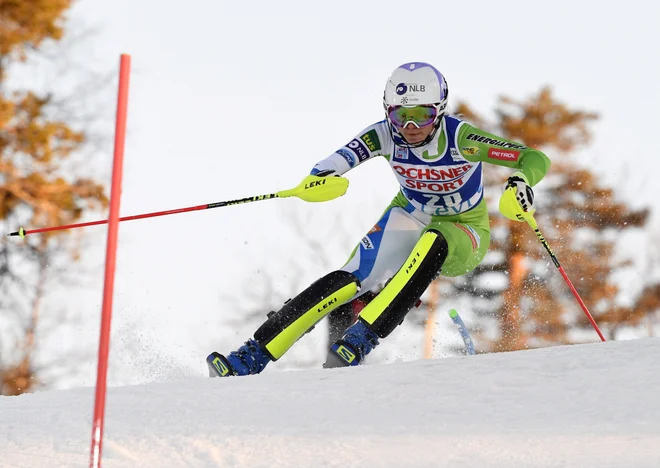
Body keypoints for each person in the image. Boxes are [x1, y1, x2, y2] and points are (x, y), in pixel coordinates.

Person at [207, 61, 550, 377]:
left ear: (440, 111)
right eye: (401, 116)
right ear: (388, 112)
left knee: (435, 239)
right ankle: (251, 356)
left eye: (422, 115)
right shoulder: (383, 134)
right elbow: (336, 160)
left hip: (464, 230)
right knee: (348, 279)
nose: (411, 127)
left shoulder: (461, 138)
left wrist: (522, 182)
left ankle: (360, 340)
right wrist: (319, 178)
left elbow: (532, 158)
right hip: (410, 215)